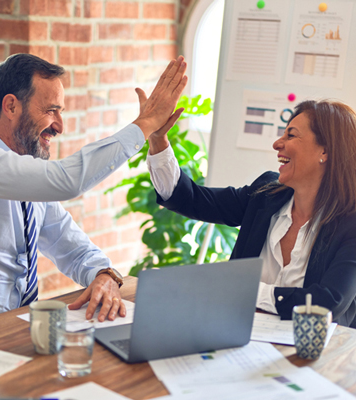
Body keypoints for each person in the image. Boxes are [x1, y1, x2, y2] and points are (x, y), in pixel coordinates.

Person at [0, 53, 187, 326]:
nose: (59, 126)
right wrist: (145, 124)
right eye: (50, 110)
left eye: (61, 112)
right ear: (11, 106)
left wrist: (103, 274)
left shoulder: (32, 185)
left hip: (15, 337)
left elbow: (75, 250)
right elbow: (66, 180)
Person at [146, 99, 356, 328]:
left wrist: (246, 291)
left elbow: (328, 304)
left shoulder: (350, 224)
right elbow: (191, 199)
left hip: (318, 355)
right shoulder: (265, 194)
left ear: (324, 150)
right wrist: (158, 140)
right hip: (243, 339)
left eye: (291, 135)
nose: (277, 144)